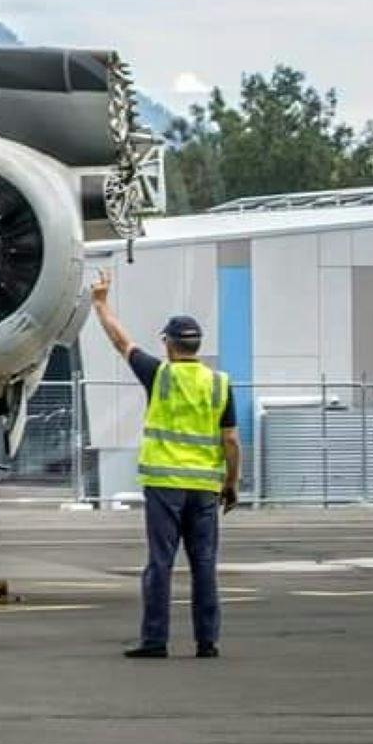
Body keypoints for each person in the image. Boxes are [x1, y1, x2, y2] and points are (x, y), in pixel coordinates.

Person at [89, 269, 240, 660]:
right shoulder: (220, 383)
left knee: (160, 562)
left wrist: (101, 304)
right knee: (204, 564)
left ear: (170, 345)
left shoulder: (159, 375)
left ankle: (155, 640)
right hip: (206, 487)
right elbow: (231, 440)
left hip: (164, 485)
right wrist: (232, 483)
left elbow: (122, 342)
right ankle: (207, 641)